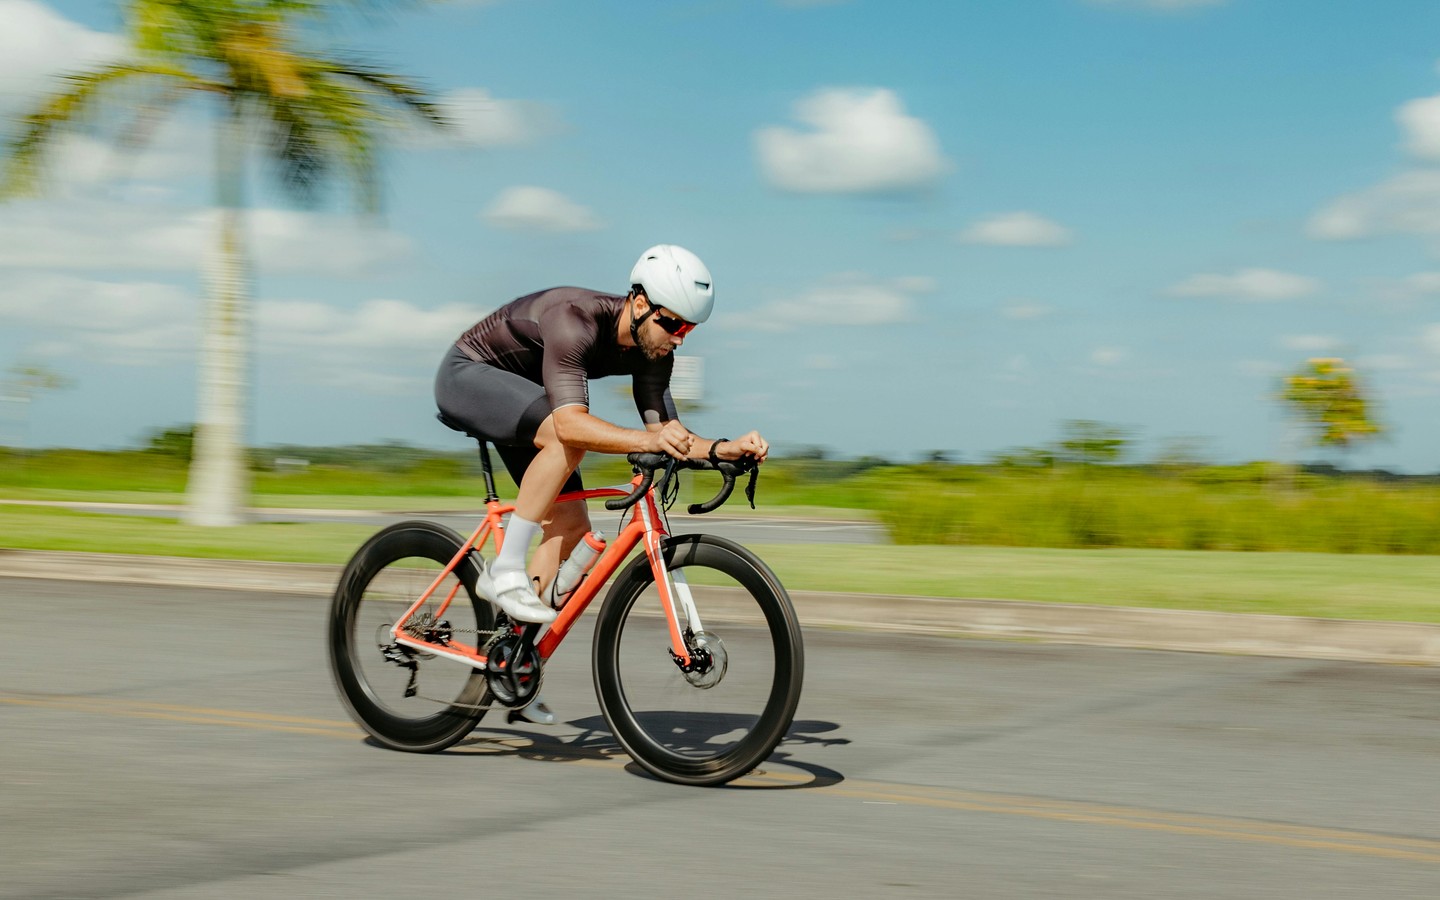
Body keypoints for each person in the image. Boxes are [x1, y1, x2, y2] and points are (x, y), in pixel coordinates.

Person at [434, 244, 769, 723]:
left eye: (689, 329)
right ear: (638, 304)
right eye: (672, 323)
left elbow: (667, 434)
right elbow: (571, 425)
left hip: (529, 400)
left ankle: (513, 666)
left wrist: (722, 449)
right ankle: (503, 569)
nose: (679, 338)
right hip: (471, 375)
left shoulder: (654, 352)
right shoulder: (575, 319)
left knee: (571, 523)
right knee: (569, 438)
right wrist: (642, 440)